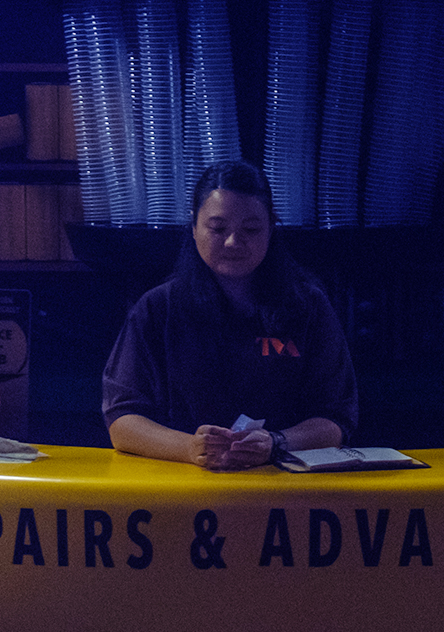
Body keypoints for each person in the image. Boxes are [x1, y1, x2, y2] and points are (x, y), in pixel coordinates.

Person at [102, 161, 359, 470]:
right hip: (180, 486)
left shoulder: (308, 306)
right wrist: (189, 448)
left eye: (250, 229)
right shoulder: (158, 308)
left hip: (286, 489)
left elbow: (336, 419)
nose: (233, 242)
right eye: (218, 228)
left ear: (272, 230)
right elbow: (122, 421)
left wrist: (276, 442)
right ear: (194, 228)